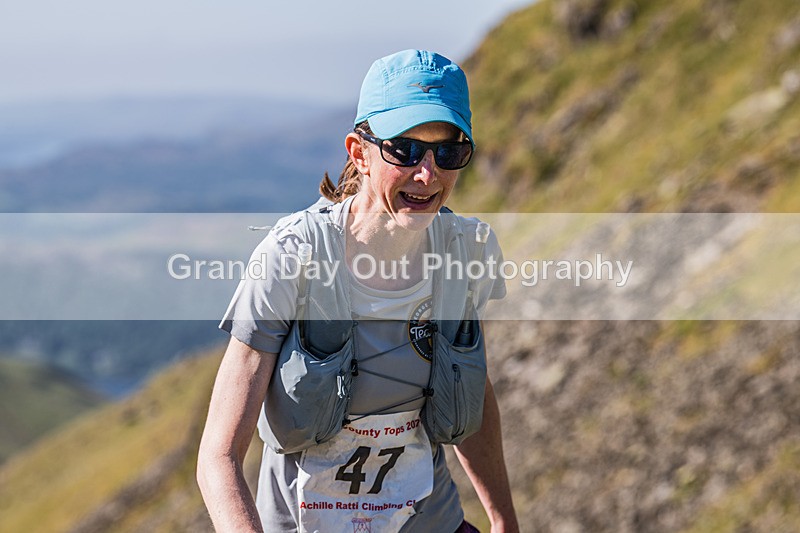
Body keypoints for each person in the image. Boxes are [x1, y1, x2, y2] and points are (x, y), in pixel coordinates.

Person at [197, 49, 519, 533]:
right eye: (404, 150)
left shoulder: (465, 252)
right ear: (358, 152)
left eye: (448, 152)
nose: (427, 174)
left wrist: (503, 521)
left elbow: (473, 395)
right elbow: (219, 457)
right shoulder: (292, 256)